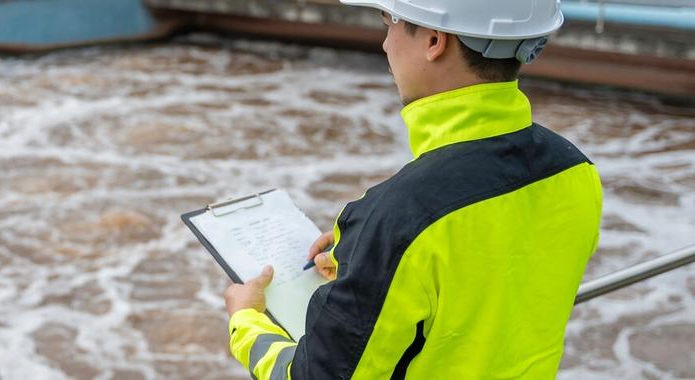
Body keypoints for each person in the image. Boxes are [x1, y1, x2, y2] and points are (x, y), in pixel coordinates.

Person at [221, 0, 604, 378]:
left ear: (434, 41)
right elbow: (496, 281)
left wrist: (247, 321)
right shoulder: (575, 171)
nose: (386, 43)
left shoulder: (400, 220)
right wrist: (369, 261)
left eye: (390, 20)